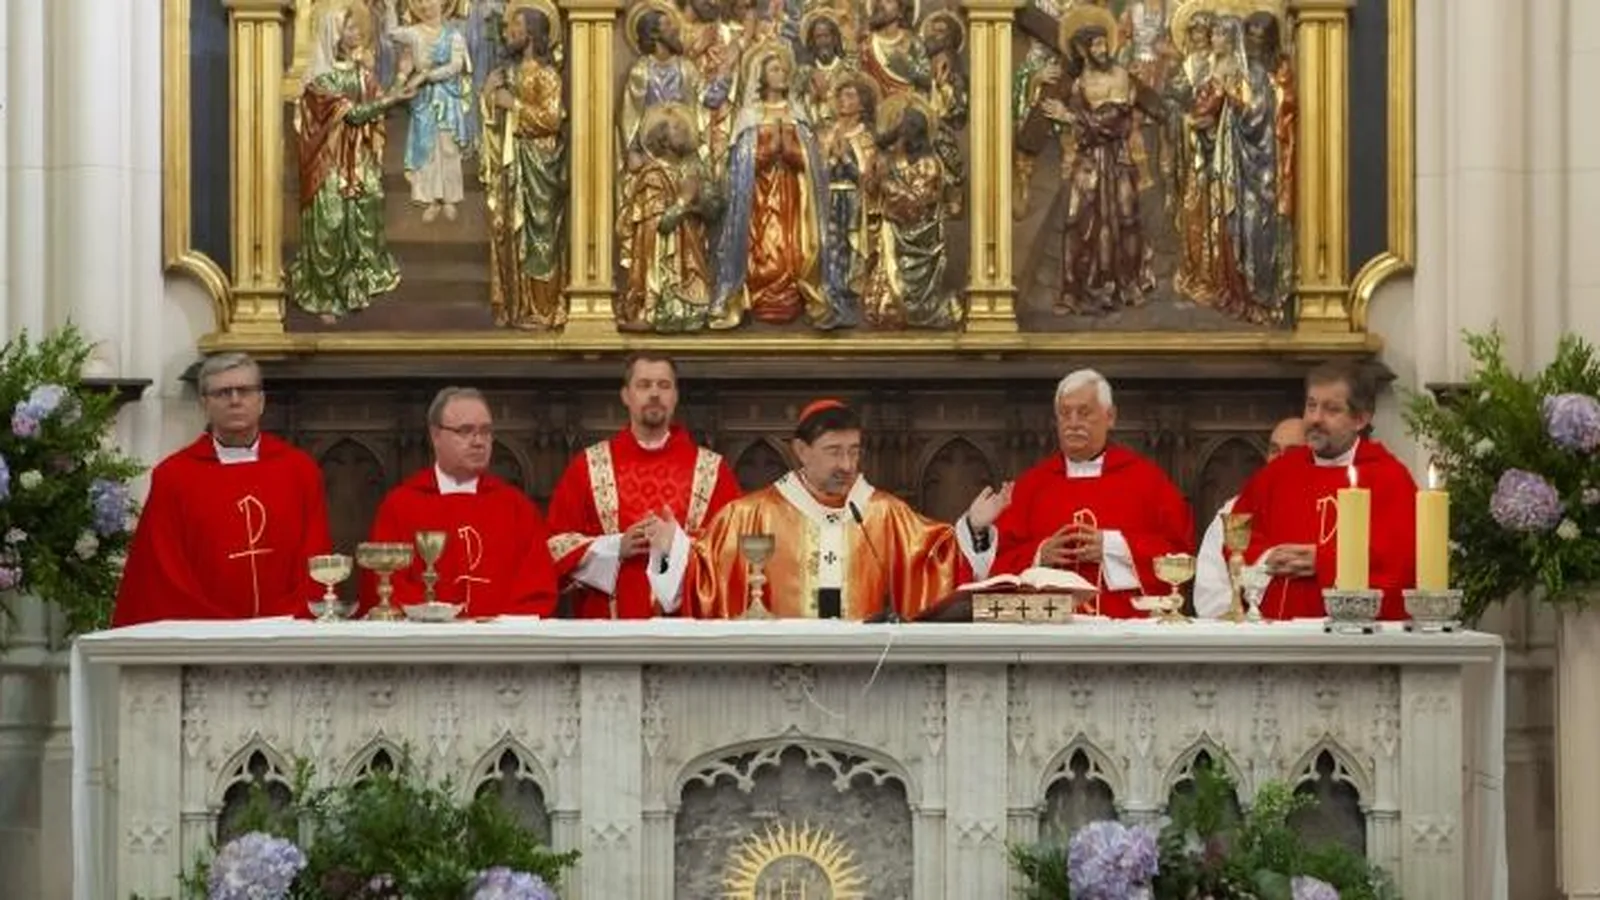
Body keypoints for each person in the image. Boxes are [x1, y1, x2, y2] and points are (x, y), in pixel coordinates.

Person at [656, 400, 1011, 619]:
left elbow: (936, 562)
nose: (847, 465)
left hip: (864, 676)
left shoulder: (883, 513)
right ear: (801, 451)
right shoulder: (750, 515)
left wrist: (973, 528)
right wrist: (674, 549)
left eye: (854, 451)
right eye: (834, 451)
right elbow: (703, 577)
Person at [113, 353, 332, 626]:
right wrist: (214, 625)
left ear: (261, 401)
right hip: (202, 631)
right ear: (205, 404)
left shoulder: (299, 470)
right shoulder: (174, 476)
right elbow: (163, 567)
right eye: (222, 392)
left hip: (286, 629)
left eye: (245, 390)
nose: (235, 400)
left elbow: (315, 555)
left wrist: (287, 618)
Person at [545, 354, 741, 618]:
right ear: (626, 395)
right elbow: (554, 547)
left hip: (686, 627)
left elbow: (733, 553)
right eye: (644, 385)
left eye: (664, 385)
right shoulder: (588, 466)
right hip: (609, 626)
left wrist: (677, 545)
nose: (654, 394)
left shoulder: (713, 471)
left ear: (675, 396)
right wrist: (616, 546)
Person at [992, 369, 1194, 618]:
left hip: (1124, 628)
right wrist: (1040, 554)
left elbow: (1178, 555)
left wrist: (1114, 546)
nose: (1073, 423)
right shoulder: (1031, 486)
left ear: (1110, 417)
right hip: (1049, 628)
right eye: (1064, 413)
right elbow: (997, 563)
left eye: (1084, 412)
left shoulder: (1147, 481)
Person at [1233, 362, 1418, 620]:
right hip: (1277, 630)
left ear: (1360, 419)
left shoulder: (1389, 478)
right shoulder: (1279, 472)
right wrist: (1267, 558)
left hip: (1350, 633)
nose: (1315, 419)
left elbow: (1399, 562)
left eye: (1331, 409)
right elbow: (1237, 535)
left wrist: (1325, 562)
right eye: (1311, 406)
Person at [362, 387, 557, 617]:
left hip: (501, 639)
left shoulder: (517, 508)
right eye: (466, 431)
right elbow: (385, 585)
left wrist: (494, 629)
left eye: (485, 431)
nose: (479, 442)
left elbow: (536, 587)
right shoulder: (401, 505)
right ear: (435, 435)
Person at [1192, 417, 1306, 618]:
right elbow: (1210, 586)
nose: (1278, 459)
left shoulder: (1323, 507)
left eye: (1291, 451)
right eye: (1274, 450)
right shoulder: (1235, 509)